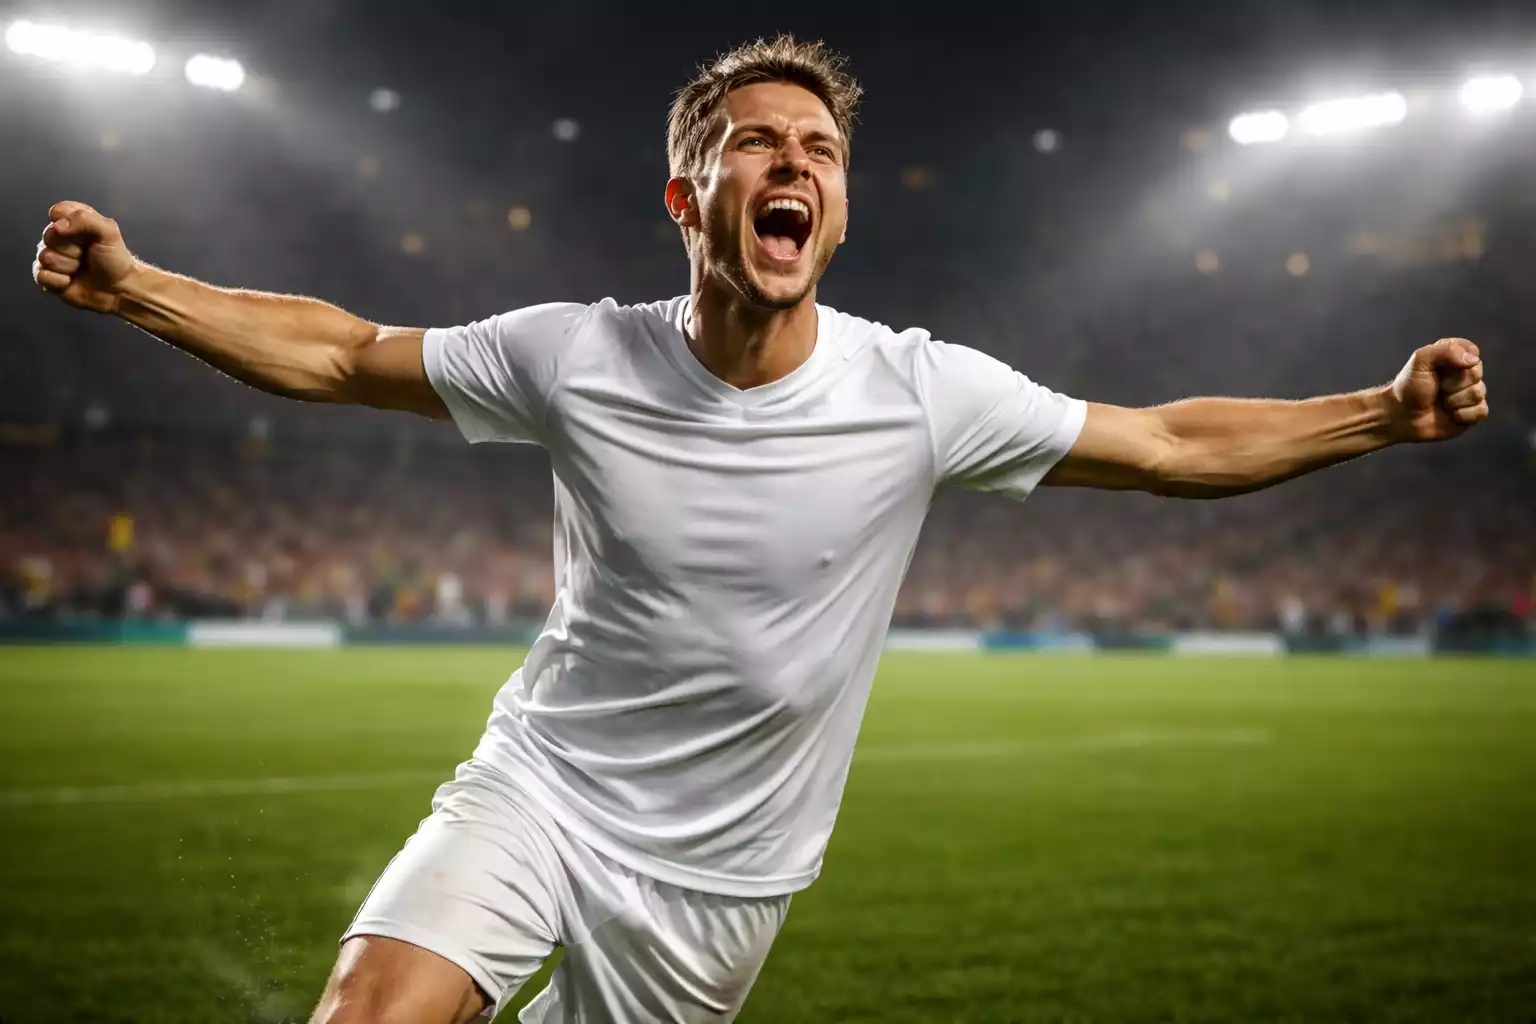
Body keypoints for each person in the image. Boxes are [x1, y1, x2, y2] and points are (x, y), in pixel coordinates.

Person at [31, 34, 1489, 1024]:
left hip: (724, 879)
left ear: (837, 213)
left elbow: (1167, 444)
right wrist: (136, 287)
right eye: (756, 143)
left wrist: (1379, 413)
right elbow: (347, 355)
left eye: (820, 149)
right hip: (543, 789)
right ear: (691, 197)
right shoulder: (576, 355)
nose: (794, 162)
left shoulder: (919, 392)